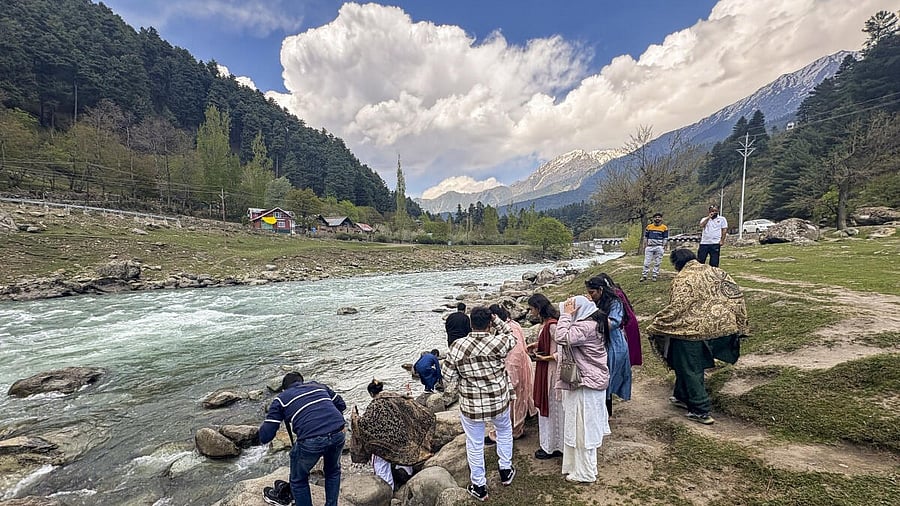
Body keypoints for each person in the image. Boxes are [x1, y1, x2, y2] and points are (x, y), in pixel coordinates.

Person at [647, 248, 749, 425]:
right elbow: (735, 295)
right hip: (722, 326)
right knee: (686, 363)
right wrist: (740, 322)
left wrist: (657, 323)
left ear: (676, 264)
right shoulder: (717, 271)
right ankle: (681, 395)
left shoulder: (682, 279)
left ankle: (700, 409)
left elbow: (678, 306)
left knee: (690, 367)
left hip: (691, 331)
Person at [444, 306, 518, 501]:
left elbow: (447, 378)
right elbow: (512, 336)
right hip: (499, 400)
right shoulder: (499, 342)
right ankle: (505, 470)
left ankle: (479, 485)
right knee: (504, 432)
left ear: (470, 323)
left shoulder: (457, 346)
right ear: (489, 323)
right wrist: (497, 321)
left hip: (471, 404)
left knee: (475, 443)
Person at [258, 372, 346, 506]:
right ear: (302, 381)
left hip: (311, 440)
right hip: (338, 433)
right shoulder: (319, 386)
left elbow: (266, 436)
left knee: (298, 480)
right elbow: (341, 405)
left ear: (284, 389)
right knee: (333, 471)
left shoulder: (281, 399)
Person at [555, 295, 611, 483]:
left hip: (586, 384)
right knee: (581, 427)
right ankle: (576, 467)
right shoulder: (594, 322)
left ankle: (586, 472)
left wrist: (566, 316)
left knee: (583, 429)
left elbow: (562, 337)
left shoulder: (585, 326)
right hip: (589, 381)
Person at [350, 379, 433, 490]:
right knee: (404, 451)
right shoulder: (395, 397)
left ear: (371, 393)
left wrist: (354, 417)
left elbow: (364, 425)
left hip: (385, 445)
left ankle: (388, 489)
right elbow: (410, 406)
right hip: (402, 438)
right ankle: (407, 473)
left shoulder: (373, 406)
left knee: (379, 460)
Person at [485, 304, 537, 443]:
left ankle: (513, 431)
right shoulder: (512, 324)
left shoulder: (511, 328)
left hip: (515, 367)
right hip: (518, 364)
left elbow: (516, 352)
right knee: (516, 399)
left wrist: (510, 373)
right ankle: (512, 428)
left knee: (514, 400)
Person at [585, 275, 632, 417]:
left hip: (613, 343)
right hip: (601, 342)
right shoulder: (596, 301)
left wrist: (593, 319)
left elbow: (614, 322)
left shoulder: (614, 303)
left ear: (600, 290)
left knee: (608, 375)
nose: (590, 296)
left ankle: (606, 411)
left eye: (592, 292)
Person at [525, 293, 565, 460]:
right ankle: (552, 444)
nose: (530, 312)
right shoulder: (547, 325)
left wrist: (547, 357)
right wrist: (537, 345)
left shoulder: (553, 326)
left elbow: (563, 350)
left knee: (553, 408)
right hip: (547, 369)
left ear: (538, 308)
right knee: (551, 408)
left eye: (532, 308)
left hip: (552, 372)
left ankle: (553, 445)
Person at [641, 212, 669, 282]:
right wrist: (645, 245)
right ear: (653, 218)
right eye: (656, 217)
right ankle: (644, 275)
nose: (657, 218)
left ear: (661, 219)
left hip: (659, 246)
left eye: (659, 217)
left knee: (657, 262)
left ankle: (654, 275)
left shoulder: (664, 227)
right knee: (646, 262)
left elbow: (665, 238)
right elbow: (645, 237)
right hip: (650, 246)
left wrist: (664, 246)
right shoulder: (649, 227)